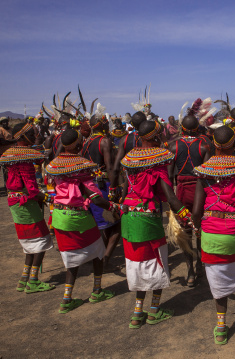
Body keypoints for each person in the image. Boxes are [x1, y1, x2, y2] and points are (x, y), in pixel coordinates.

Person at [191, 125, 235, 345]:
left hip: (211, 236)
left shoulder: (203, 172)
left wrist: (198, 227)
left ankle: (221, 327)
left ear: (213, 144)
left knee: (217, 280)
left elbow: (196, 212)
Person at [120, 120, 193, 329]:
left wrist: (120, 206)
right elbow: (170, 195)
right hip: (146, 218)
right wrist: (185, 215)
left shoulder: (130, 159)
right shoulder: (158, 161)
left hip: (128, 216)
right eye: (161, 134)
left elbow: (126, 188)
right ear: (155, 137)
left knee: (136, 263)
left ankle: (137, 313)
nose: (163, 137)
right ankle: (153, 311)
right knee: (156, 263)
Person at [46, 128, 115, 313]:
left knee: (71, 259)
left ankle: (67, 299)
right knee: (99, 252)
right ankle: (97, 291)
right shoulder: (82, 165)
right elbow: (95, 197)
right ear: (78, 144)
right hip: (78, 217)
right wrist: (114, 207)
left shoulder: (55, 164)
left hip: (60, 217)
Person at [0, 122, 54, 293]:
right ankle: (33, 280)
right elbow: (31, 188)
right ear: (22, 136)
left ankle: (24, 278)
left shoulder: (11, 154)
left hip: (15, 202)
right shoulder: (24, 157)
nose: (34, 137)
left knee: (30, 242)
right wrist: (48, 198)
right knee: (42, 240)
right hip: (25, 202)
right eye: (31, 135)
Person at [167, 115, 210, 286]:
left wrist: (171, 199)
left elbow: (170, 176)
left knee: (185, 231)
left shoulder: (173, 146)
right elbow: (207, 175)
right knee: (199, 226)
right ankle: (200, 264)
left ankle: (190, 272)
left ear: (181, 129)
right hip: (201, 190)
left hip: (182, 191)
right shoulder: (205, 146)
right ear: (197, 128)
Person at [81, 114, 121, 267]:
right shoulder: (105, 141)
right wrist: (113, 187)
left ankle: (100, 257)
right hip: (102, 186)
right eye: (106, 124)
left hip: (89, 186)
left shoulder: (86, 142)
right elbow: (110, 167)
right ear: (102, 125)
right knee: (114, 223)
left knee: (101, 224)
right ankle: (103, 259)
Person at [111, 111, 146, 189]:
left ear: (132, 124)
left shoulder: (124, 139)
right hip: (148, 182)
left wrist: (112, 189)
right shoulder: (151, 138)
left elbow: (116, 167)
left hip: (130, 181)